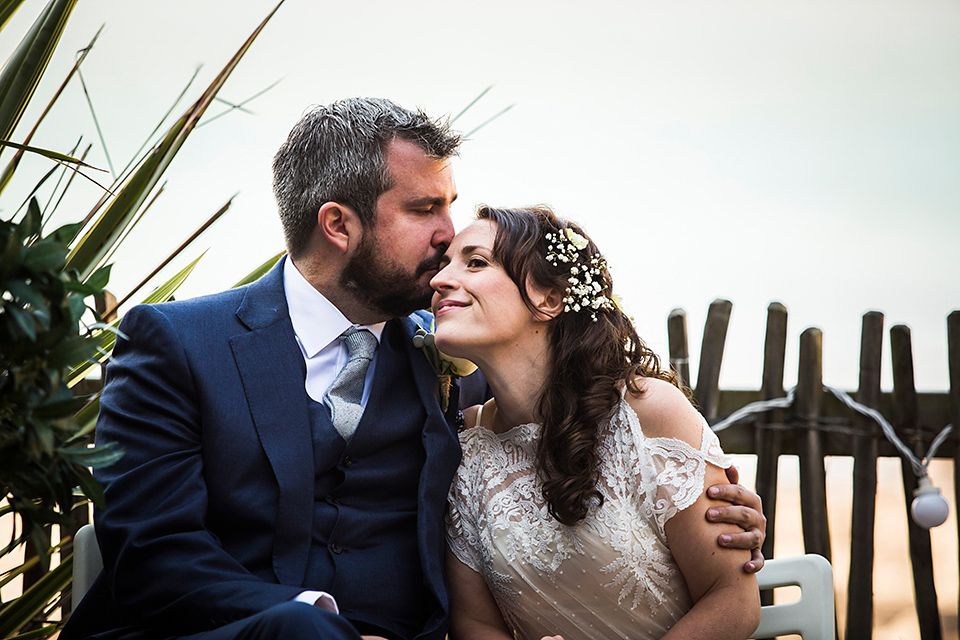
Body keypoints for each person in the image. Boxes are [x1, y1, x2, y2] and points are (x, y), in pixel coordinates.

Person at [62, 98, 764, 640]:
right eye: (426, 208)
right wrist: (315, 622)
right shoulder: (177, 343)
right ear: (339, 226)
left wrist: (715, 501)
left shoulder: (468, 360)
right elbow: (152, 549)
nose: (448, 234)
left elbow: (591, 437)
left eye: (452, 208)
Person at [432, 205, 762, 640]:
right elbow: (475, 624)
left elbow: (733, 601)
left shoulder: (647, 414)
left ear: (549, 298)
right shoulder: (468, 444)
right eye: (443, 264)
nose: (438, 281)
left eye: (475, 262)